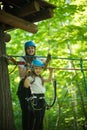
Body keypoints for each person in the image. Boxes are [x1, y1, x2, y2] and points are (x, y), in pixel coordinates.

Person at [24, 59, 53, 130]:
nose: (38, 70)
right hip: (36, 99)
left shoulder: (41, 78)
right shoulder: (31, 77)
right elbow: (26, 85)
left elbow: (49, 80)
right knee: (38, 118)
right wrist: (27, 75)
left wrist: (51, 72)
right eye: (36, 68)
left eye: (40, 69)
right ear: (32, 69)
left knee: (41, 119)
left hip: (42, 99)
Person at [17, 41, 36, 130]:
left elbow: (43, 66)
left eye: (32, 48)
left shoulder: (37, 59)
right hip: (24, 88)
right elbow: (21, 74)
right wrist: (27, 68)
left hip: (34, 87)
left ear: (34, 49)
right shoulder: (22, 59)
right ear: (26, 50)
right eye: (28, 48)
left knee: (33, 112)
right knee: (27, 111)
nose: (30, 50)